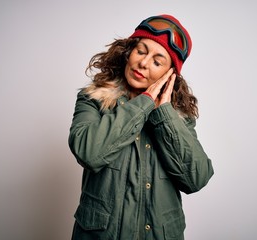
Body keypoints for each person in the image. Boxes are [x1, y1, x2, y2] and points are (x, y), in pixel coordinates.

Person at [68, 14, 214, 240]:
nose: (143, 63)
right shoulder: (94, 99)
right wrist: (144, 103)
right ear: (128, 52)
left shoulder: (179, 117)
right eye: (141, 51)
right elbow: (88, 153)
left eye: (157, 61)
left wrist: (164, 115)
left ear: (170, 74)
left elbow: (196, 178)